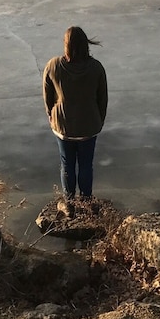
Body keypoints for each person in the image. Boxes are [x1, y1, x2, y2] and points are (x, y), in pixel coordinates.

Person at [43, 26, 108, 209]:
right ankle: (87, 202)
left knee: (67, 165)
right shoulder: (96, 68)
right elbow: (102, 99)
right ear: (86, 44)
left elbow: (47, 97)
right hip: (89, 127)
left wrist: (52, 116)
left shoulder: (53, 66)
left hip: (63, 127)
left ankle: (69, 204)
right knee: (86, 165)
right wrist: (98, 121)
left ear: (67, 45)